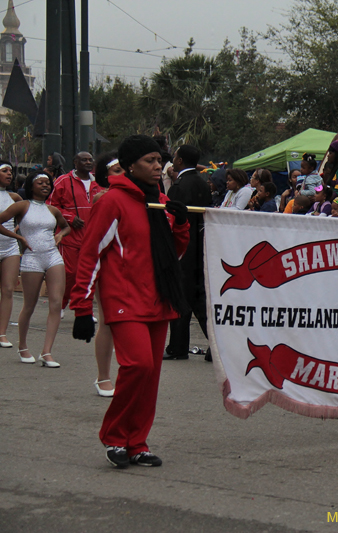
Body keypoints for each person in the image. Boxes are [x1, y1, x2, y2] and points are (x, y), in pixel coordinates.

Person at [70, 134, 190, 468]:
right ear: (129, 166)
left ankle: (137, 443)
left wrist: (180, 224)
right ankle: (114, 435)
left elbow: (172, 255)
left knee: (150, 376)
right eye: (150, 160)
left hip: (159, 301)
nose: (157, 166)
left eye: (159, 161)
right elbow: (90, 254)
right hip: (124, 300)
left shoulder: (160, 201)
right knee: (138, 366)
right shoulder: (111, 201)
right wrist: (82, 308)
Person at [0, 173, 70, 367]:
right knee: (30, 305)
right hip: (32, 258)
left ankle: (47, 352)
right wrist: (19, 238)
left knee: (56, 303)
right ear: (31, 186)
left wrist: (60, 235)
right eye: (40, 183)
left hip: (53, 257)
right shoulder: (22, 206)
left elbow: (66, 227)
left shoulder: (52, 210)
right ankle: (23, 346)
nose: (45, 186)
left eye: (48, 183)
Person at [164, 145, 212, 362]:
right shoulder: (203, 184)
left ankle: (178, 347)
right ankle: (216, 345)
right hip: (201, 247)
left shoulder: (178, 187)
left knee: (181, 297)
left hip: (184, 249)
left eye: (175, 157)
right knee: (198, 300)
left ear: (180, 160)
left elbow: (174, 222)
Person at [47, 151, 103, 314]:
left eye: (90, 160)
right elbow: (51, 204)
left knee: (89, 274)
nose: (88, 162)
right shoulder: (62, 181)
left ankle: (83, 309)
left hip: (92, 236)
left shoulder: (98, 182)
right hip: (70, 236)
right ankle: (62, 304)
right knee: (69, 273)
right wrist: (70, 218)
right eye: (83, 160)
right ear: (75, 162)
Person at [89, 152, 122, 396]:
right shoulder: (103, 198)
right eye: (116, 170)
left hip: (135, 267)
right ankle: (103, 376)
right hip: (109, 267)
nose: (123, 174)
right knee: (107, 321)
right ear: (105, 176)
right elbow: (95, 242)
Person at [0, 161, 21, 349]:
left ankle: (2, 333)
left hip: (10, 248)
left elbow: (28, 216)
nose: (9, 174)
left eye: (11, 172)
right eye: (4, 171)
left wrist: (17, 227)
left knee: (7, 290)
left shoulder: (14, 197)